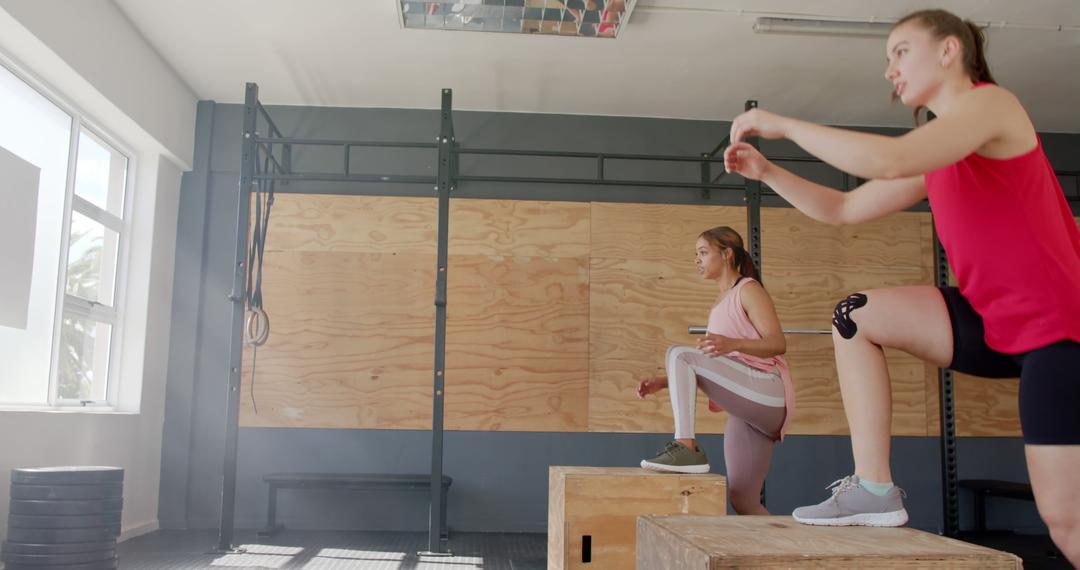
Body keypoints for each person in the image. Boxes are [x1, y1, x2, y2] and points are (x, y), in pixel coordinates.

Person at [722, 8, 1080, 562]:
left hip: (1059, 331)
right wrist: (768, 172)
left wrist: (785, 124)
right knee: (855, 316)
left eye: (900, 51)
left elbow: (888, 160)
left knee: (1065, 521)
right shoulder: (938, 154)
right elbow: (842, 208)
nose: (890, 69)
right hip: (993, 322)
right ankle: (875, 488)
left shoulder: (991, 104)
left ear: (949, 50)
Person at [636, 226, 796, 515]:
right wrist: (663, 381)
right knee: (743, 500)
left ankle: (685, 446)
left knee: (678, 352)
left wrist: (732, 343)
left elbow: (777, 343)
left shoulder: (748, 289)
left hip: (767, 392)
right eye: (695, 254)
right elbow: (712, 370)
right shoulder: (719, 302)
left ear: (727, 254)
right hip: (748, 408)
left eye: (703, 252)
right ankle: (787, 557)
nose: (696, 260)